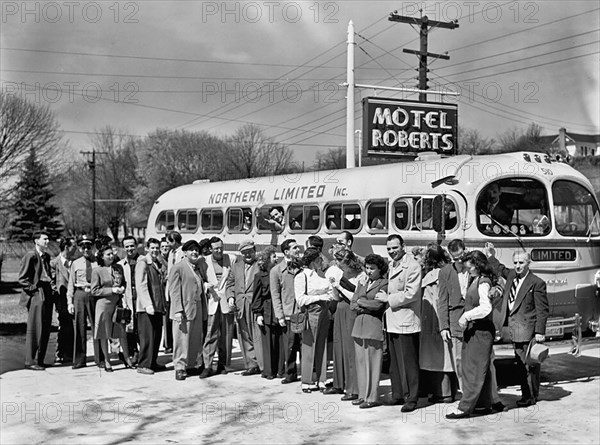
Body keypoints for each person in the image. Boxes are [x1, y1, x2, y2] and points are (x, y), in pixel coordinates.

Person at [487, 246, 549, 407]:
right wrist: (491, 255)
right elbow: (499, 268)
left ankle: (529, 396)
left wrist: (540, 332)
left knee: (528, 364)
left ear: (528, 263)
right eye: (515, 262)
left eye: (521, 262)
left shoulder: (537, 283)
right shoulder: (512, 276)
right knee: (521, 363)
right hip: (514, 328)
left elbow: (542, 310)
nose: (518, 266)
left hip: (527, 329)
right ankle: (528, 395)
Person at [446, 251, 497, 419]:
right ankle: (483, 404)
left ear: (478, 265)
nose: (468, 268)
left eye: (471, 265)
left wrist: (466, 316)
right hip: (477, 330)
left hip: (480, 330)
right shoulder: (475, 279)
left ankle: (465, 407)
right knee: (481, 369)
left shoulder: (483, 282)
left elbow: (486, 308)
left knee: (473, 370)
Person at [375, 234, 422, 412]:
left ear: (403, 246)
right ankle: (397, 394)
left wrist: (389, 298)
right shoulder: (392, 264)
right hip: (392, 320)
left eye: (395, 248)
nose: (392, 252)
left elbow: (412, 293)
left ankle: (412, 397)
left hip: (406, 320)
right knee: (395, 362)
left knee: (409, 362)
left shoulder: (413, 266)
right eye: (389, 249)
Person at [419, 243, 458, 403]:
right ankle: (448, 391)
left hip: (433, 318)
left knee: (436, 358)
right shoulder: (449, 270)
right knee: (447, 356)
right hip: (443, 317)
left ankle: (442, 393)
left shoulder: (432, 276)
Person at [323, 248, 362, 401]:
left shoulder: (360, 275)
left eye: (340, 262)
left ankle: (353, 388)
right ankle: (339, 384)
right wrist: (334, 287)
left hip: (351, 312)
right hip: (340, 310)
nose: (338, 265)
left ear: (349, 261)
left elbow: (355, 297)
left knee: (350, 349)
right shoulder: (342, 274)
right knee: (338, 348)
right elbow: (337, 298)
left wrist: (339, 286)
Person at [350, 253, 388, 409]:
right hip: (359, 326)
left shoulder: (384, 283)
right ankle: (362, 394)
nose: (368, 271)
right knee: (360, 363)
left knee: (372, 363)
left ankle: (372, 397)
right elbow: (353, 303)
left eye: (372, 268)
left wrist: (361, 301)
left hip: (373, 326)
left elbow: (378, 305)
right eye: (367, 267)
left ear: (380, 269)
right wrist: (363, 302)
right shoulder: (362, 282)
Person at [295, 247, 333, 393]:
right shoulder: (302, 276)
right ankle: (306, 380)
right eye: (318, 259)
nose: (321, 261)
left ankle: (321, 379)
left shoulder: (320, 274)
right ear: (312, 260)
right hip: (311, 311)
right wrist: (320, 297)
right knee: (309, 345)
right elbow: (300, 299)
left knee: (322, 345)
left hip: (324, 311)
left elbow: (328, 289)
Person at [169, 240, 208, 381]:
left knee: (194, 338)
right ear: (184, 252)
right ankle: (179, 367)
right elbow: (174, 291)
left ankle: (190, 365)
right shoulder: (178, 267)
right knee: (181, 339)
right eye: (191, 250)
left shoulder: (197, 268)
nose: (194, 252)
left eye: (196, 250)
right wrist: (177, 310)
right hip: (183, 309)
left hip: (196, 306)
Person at [90, 244, 133, 372]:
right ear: (102, 257)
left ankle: (127, 358)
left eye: (111, 253)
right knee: (104, 333)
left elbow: (124, 282)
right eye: (107, 254)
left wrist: (123, 288)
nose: (111, 256)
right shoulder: (97, 271)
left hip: (117, 304)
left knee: (121, 332)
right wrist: (111, 290)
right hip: (103, 305)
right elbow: (94, 290)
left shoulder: (118, 267)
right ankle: (107, 361)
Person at [200, 236, 235, 378]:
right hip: (212, 301)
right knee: (210, 334)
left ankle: (223, 364)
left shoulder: (231, 259)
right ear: (210, 249)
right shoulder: (204, 262)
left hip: (227, 302)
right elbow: (200, 278)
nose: (219, 250)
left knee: (226, 335)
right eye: (216, 248)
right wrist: (205, 285)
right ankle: (207, 365)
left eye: (221, 247)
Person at [18, 231, 54, 370]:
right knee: (35, 327)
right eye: (44, 239)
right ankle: (30, 361)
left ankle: (40, 360)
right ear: (36, 240)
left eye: (48, 238)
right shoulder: (31, 255)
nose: (47, 241)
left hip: (47, 292)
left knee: (45, 327)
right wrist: (33, 290)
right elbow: (22, 278)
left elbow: (47, 274)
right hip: (37, 293)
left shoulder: (46, 256)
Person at [68, 235, 105, 369]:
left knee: (97, 326)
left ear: (92, 247)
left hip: (94, 295)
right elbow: (71, 284)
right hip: (80, 294)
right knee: (80, 327)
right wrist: (69, 302)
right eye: (83, 247)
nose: (86, 249)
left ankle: (100, 358)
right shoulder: (75, 263)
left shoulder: (98, 262)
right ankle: (79, 360)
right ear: (79, 248)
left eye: (88, 247)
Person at [227, 239, 261, 376]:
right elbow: (230, 284)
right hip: (241, 305)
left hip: (256, 304)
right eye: (245, 252)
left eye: (250, 251)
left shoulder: (260, 264)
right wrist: (230, 297)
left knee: (258, 334)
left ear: (255, 251)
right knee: (244, 335)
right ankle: (251, 364)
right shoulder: (236, 266)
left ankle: (262, 363)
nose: (248, 255)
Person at [271, 238, 303, 384]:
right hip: (288, 314)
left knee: (305, 346)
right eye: (294, 248)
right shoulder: (276, 270)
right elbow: (275, 295)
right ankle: (290, 374)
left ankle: (308, 374)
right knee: (289, 346)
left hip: (303, 312)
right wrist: (280, 315)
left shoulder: (303, 267)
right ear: (286, 252)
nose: (298, 250)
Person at [135, 238, 168, 375]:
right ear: (147, 248)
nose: (155, 250)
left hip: (158, 306)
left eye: (157, 248)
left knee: (156, 336)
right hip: (147, 308)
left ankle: (152, 362)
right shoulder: (143, 263)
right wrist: (147, 304)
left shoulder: (157, 263)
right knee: (147, 337)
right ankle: (143, 364)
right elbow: (141, 285)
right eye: (152, 248)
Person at [251, 249, 282, 379]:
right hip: (267, 311)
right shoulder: (260, 276)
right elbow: (257, 296)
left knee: (279, 342)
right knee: (268, 342)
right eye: (274, 257)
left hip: (279, 310)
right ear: (267, 259)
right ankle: (269, 371)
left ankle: (280, 369)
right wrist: (258, 313)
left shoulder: (279, 272)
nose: (276, 259)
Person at [50, 236, 77, 364]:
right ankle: (61, 353)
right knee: (63, 327)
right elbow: (52, 282)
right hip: (61, 301)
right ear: (67, 247)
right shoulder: (54, 263)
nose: (76, 248)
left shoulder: (75, 262)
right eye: (74, 246)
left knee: (72, 327)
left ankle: (70, 353)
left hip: (74, 300)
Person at [118, 236, 140, 365]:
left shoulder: (143, 261)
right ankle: (133, 352)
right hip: (128, 299)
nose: (130, 248)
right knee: (130, 327)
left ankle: (142, 352)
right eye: (127, 246)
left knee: (142, 328)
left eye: (132, 246)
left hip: (141, 299)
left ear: (136, 246)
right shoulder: (121, 265)